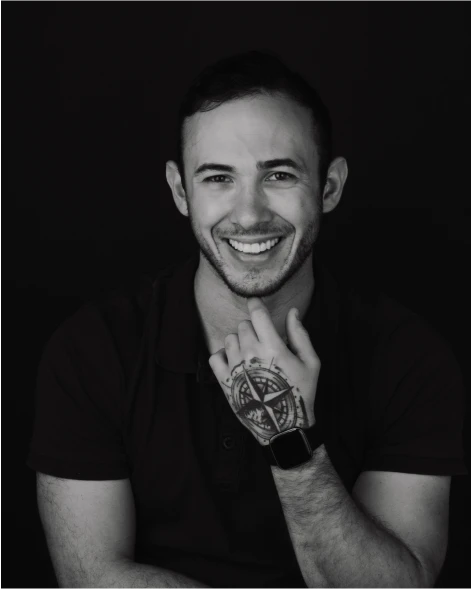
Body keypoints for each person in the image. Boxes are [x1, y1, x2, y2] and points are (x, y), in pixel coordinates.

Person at [27, 50, 467, 589]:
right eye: (218, 178)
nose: (250, 214)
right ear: (180, 191)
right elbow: (91, 577)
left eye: (279, 174)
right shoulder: (92, 350)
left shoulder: (408, 357)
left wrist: (290, 441)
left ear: (329, 187)